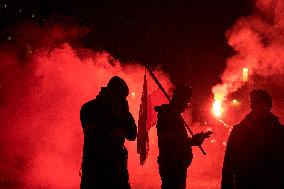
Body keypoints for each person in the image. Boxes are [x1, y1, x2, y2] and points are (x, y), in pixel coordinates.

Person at [80, 76, 137, 189]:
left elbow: (133, 134)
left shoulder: (122, 111)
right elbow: (92, 134)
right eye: (119, 97)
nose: (121, 100)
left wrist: (122, 115)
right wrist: (114, 125)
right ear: (110, 92)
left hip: (117, 170)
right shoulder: (90, 108)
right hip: (96, 168)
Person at [221, 89, 284, 189]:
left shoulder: (279, 132)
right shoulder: (239, 130)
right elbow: (229, 165)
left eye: (256, 102)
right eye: (253, 102)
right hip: (247, 183)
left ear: (268, 106)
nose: (253, 106)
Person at [155, 85, 212, 189]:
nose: (187, 105)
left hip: (178, 166)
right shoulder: (168, 117)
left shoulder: (174, 116)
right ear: (180, 99)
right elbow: (170, 144)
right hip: (172, 166)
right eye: (187, 101)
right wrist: (192, 142)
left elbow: (178, 141)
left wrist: (195, 139)